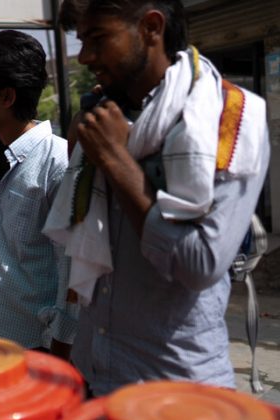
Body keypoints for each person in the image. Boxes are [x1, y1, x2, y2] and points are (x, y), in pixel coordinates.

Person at [45, 0, 269, 395]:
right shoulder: (105, 113)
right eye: (81, 41)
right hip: (94, 377)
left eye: (98, 39)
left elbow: (199, 265)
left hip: (176, 392)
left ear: (151, 28)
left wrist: (117, 160)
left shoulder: (225, 118)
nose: (85, 57)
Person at [0, 30, 75, 357]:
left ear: (6, 98)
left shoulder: (58, 163)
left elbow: (72, 267)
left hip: (33, 347)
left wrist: (61, 346)